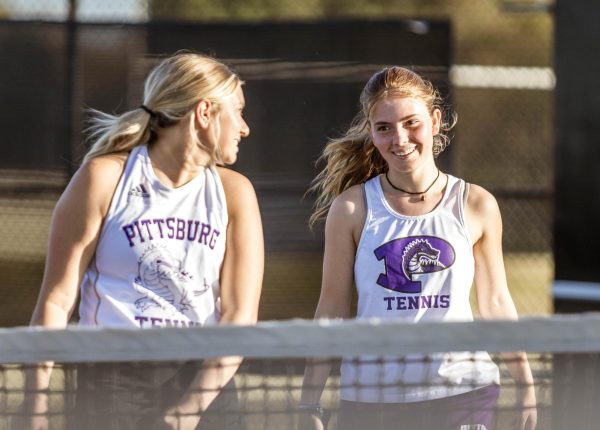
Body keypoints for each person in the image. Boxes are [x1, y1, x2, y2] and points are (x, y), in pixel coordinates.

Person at [13, 51, 264, 430]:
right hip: (112, 378)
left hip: (204, 380)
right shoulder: (104, 178)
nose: (244, 128)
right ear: (204, 112)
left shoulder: (235, 193)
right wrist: (35, 403)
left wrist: (190, 409)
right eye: (238, 111)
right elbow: (57, 298)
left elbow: (240, 316)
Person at [298, 66, 537, 430]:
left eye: (412, 123)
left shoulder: (475, 203)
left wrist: (526, 384)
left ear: (435, 121)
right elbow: (330, 309)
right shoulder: (351, 209)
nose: (400, 138)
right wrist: (309, 402)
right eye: (385, 127)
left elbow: (496, 302)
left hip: (462, 392)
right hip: (372, 396)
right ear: (371, 132)